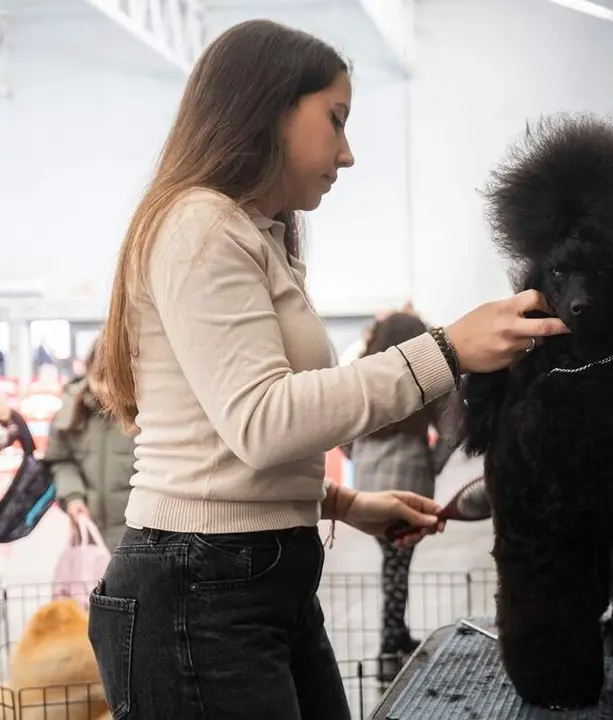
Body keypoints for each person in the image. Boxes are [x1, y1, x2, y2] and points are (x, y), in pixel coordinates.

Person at [87, 20, 568, 720]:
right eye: (335, 120)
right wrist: (446, 351)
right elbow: (260, 421)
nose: (346, 153)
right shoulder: (199, 225)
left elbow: (224, 443)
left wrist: (347, 506)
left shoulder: (255, 235)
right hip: (200, 592)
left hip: (255, 581)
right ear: (267, 106)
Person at [352, 311, 457, 662]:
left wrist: (358, 456)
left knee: (392, 557)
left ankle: (394, 633)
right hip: (409, 472)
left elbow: (341, 427)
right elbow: (455, 428)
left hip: (368, 477)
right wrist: (433, 463)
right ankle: (391, 638)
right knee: (400, 557)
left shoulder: (365, 370)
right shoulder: (425, 373)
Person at [44, 342, 134, 551]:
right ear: (88, 372)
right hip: (91, 535)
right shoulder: (71, 410)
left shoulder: (147, 412)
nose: (106, 389)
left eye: (114, 380)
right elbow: (61, 460)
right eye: (99, 379)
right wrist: (73, 497)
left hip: (139, 540)